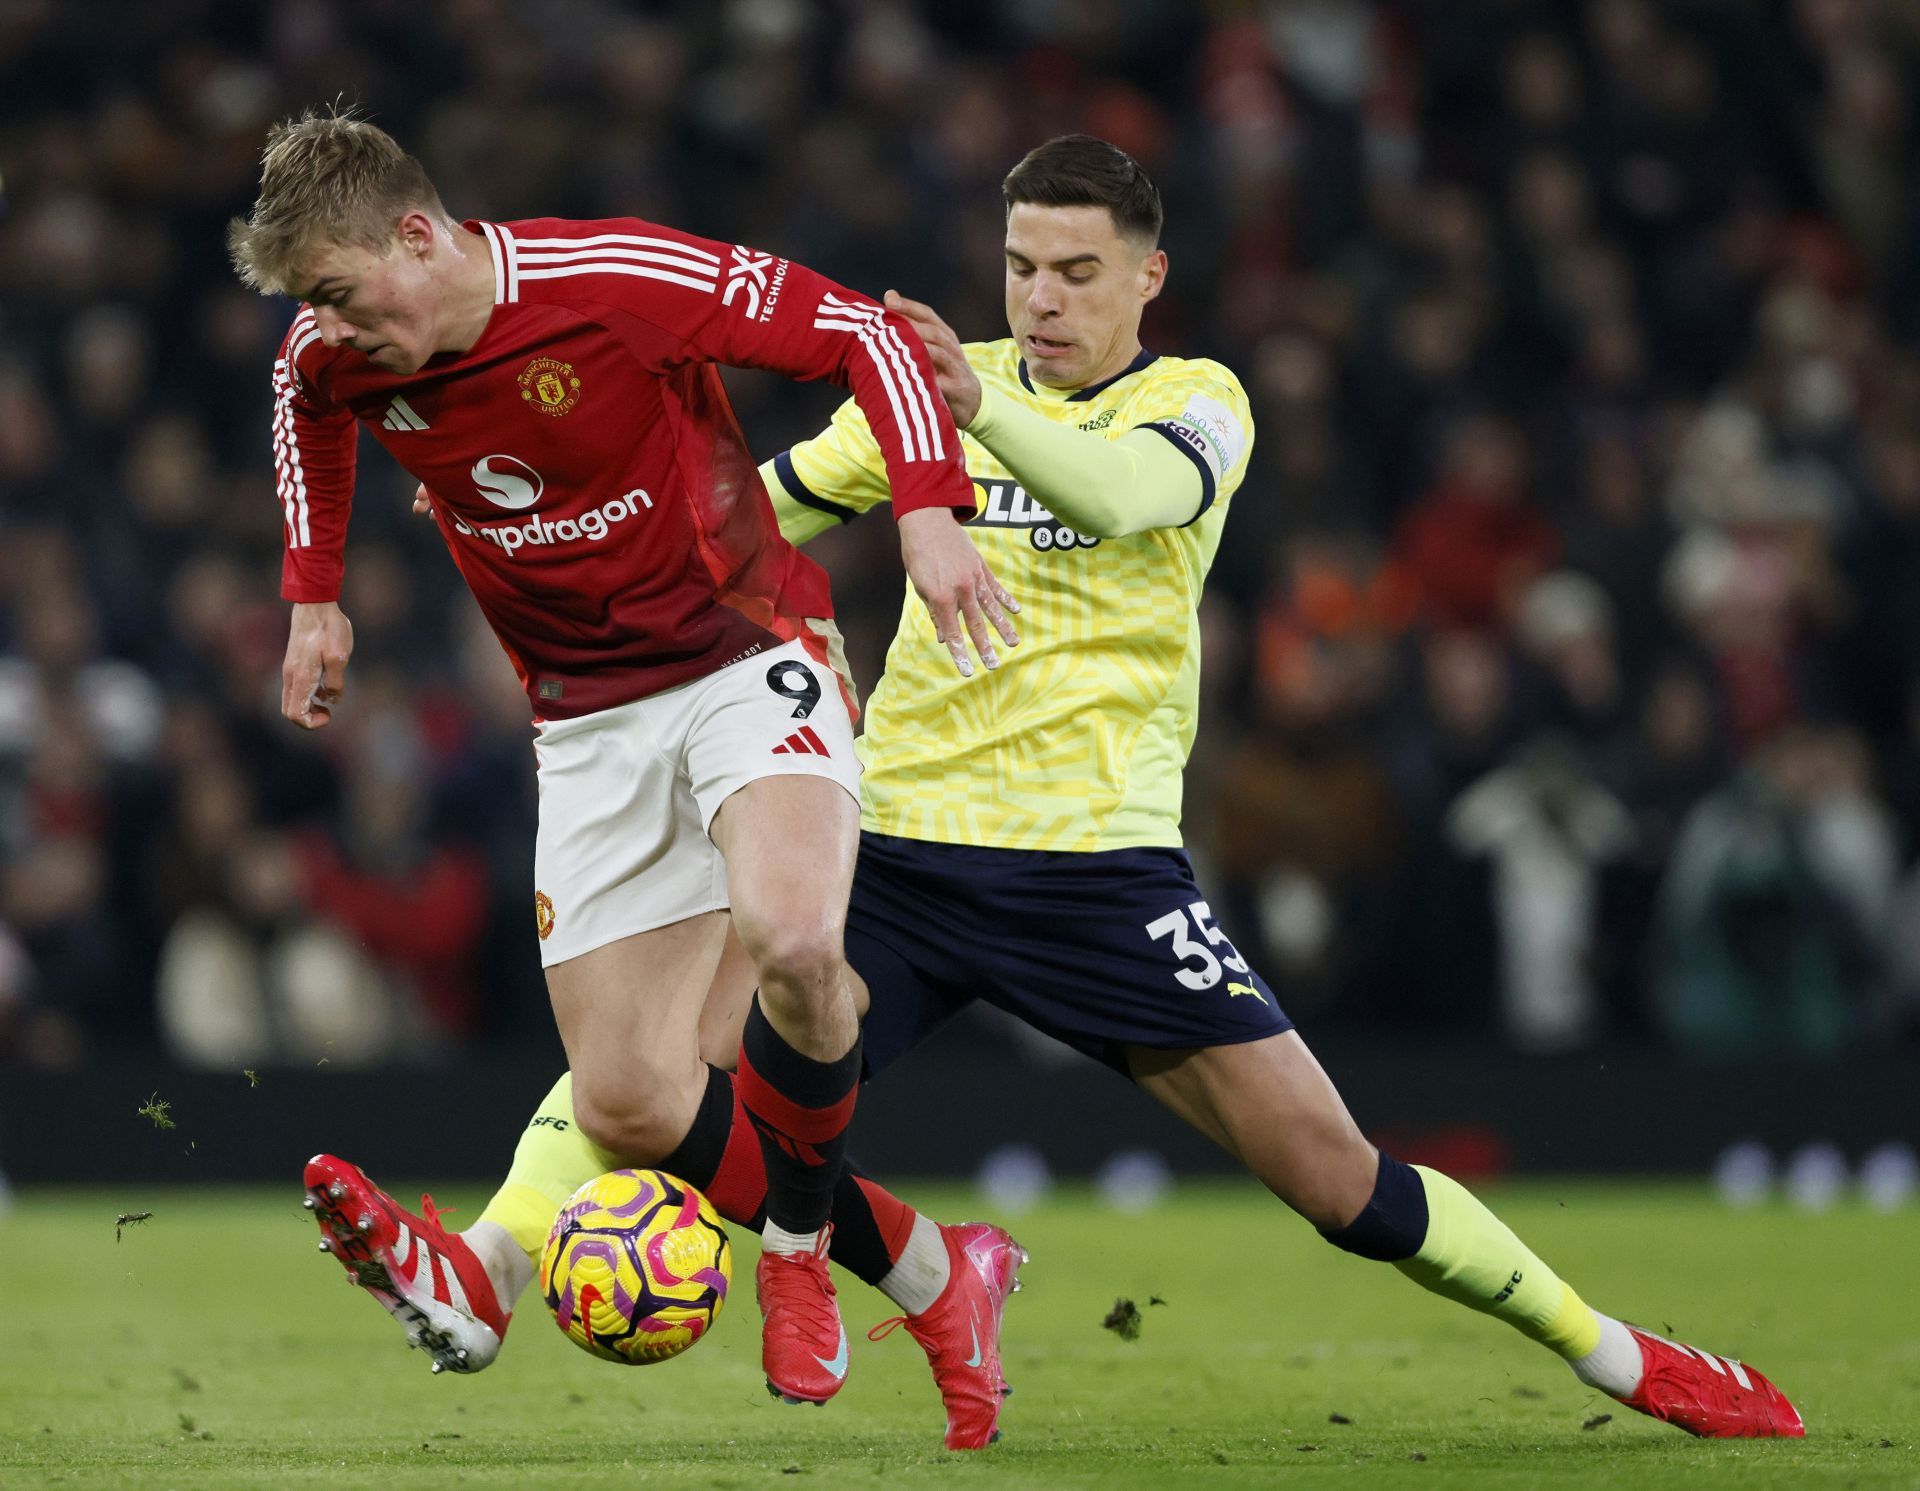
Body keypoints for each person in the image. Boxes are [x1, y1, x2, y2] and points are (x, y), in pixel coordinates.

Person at [370, 135, 1805, 1447]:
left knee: (1339, 1182)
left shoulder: (1198, 404)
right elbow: (758, 509)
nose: (1042, 298)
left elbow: (1124, 503)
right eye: (1018, 269)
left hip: (1102, 877)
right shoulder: (931, 397)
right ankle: (490, 1269)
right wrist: (544, 504)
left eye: (1075, 272)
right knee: (654, 1077)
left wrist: (970, 399)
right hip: (904, 848)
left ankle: (1622, 1354)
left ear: (1148, 277)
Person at [225, 107, 1026, 1415]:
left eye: (337, 293)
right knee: (641, 1097)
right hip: (587, 721)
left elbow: (865, 334)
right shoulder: (339, 350)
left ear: (418, 235)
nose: (327, 327)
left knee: (797, 948)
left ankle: (789, 1257)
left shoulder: (615, 282)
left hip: (743, 652)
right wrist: (314, 594)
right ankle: (941, 1274)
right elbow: (298, 401)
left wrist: (930, 519)